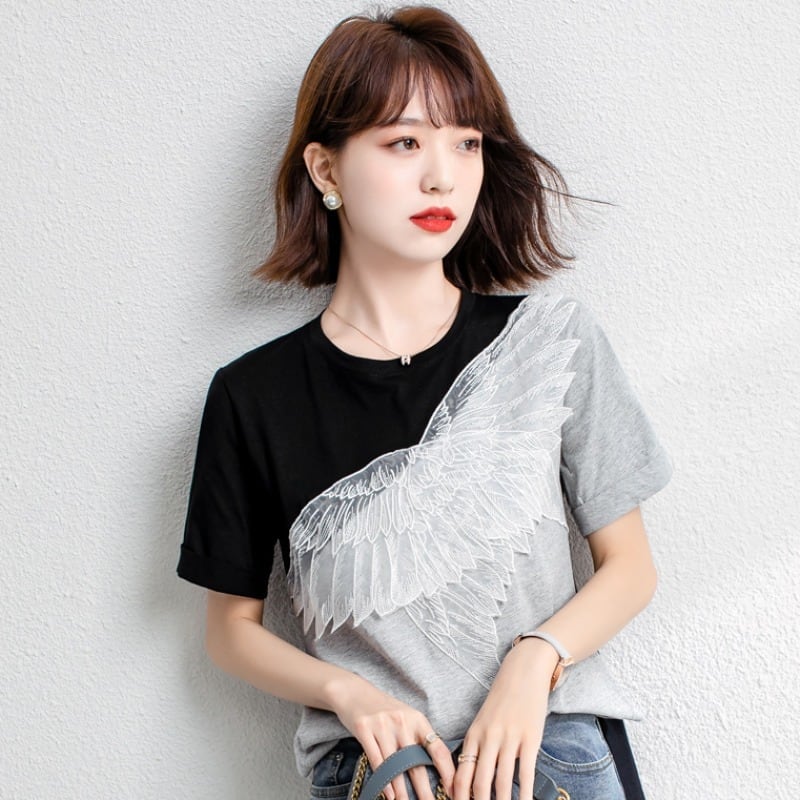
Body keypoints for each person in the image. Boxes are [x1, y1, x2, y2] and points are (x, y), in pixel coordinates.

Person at [177, 7, 673, 800]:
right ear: (326, 170)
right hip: (379, 769)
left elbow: (632, 568)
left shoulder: (551, 341)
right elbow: (230, 631)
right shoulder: (254, 394)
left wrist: (534, 659)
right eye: (404, 142)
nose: (443, 176)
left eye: (466, 142)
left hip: (546, 750)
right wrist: (347, 692)